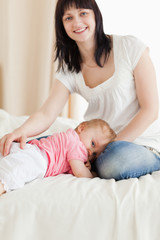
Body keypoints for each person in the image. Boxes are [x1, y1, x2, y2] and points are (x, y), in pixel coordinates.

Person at [0, 0, 160, 180]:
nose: (77, 23)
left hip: (144, 144)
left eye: (83, 13)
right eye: (69, 17)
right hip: (96, 148)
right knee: (31, 147)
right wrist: (20, 132)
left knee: (112, 163)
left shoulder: (130, 47)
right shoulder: (70, 68)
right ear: (62, 25)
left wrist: (111, 147)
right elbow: (46, 114)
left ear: (95, 16)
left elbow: (150, 110)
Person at [0, 119, 116, 195]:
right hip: (39, 159)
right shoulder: (77, 145)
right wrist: (93, 175)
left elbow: (70, 167)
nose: (91, 152)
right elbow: (80, 172)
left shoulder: (69, 136)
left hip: (30, 148)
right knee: (16, 172)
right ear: (81, 128)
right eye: (93, 144)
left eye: (95, 154)